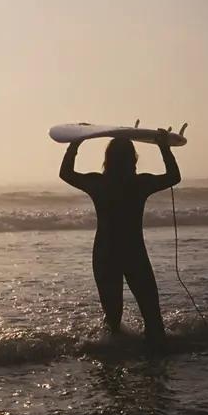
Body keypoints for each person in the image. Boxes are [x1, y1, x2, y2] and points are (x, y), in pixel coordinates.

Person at [59, 130, 180, 351]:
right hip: (134, 253)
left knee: (113, 320)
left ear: (107, 160)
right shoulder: (140, 184)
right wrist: (164, 147)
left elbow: (65, 173)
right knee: (152, 317)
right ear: (133, 160)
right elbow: (174, 177)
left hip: (105, 254)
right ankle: (155, 368)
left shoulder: (98, 183)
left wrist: (75, 143)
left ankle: (111, 372)